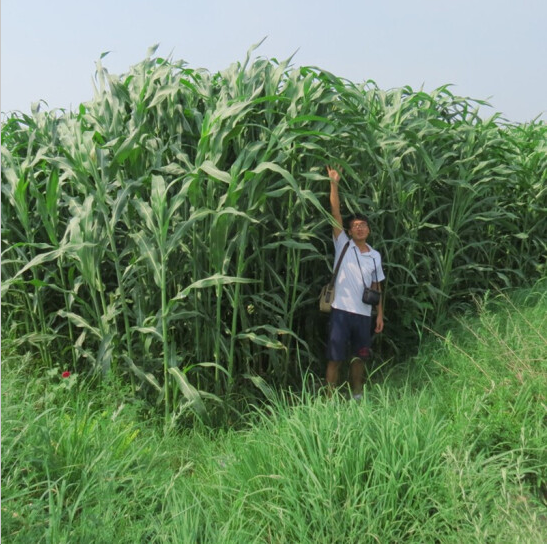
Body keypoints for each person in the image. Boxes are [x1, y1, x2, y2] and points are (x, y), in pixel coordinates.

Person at [325, 165, 385, 399]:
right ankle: (329, 400)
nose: (360, 228)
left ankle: (357, 395)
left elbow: (377, 286)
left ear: (368, 230)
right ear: (348, 232)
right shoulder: (343, 244)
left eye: (363, 225)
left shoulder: (375, 255)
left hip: (363, 315)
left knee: (360, 356)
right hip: (340, 312)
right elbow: (335, 212)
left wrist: (379, 314)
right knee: (335, 357)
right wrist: (334, 183)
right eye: (355, 226)